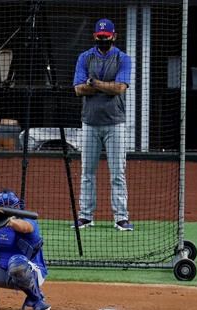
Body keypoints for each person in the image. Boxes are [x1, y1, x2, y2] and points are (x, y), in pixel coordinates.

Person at [73, 18, 133, 231]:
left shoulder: (123, 58)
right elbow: (78, 89)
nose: (103, 41)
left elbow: (119, 88)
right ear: (94, 37)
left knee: (117, 172)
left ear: (114, 36)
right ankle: (85, 216)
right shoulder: (85, 57)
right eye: (99, 38)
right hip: (89, 122)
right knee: (87, 172)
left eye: (106, 38)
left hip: (115, 123)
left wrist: (94, 83)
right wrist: (103, 86)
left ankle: (121, 217)